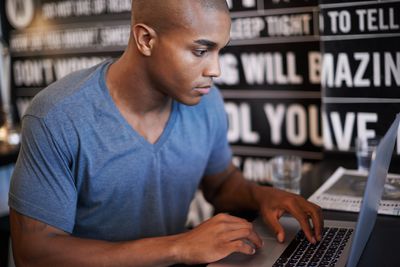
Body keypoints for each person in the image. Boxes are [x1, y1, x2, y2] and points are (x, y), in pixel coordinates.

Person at [9, 0, 323, 266]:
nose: (215, 70)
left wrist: (264, 196)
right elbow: (34, 252)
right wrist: (179, 246)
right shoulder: (57, 116)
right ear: (146, 39)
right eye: (201, 51)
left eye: (219, 52)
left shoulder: (206, 100)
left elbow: (221, 184)